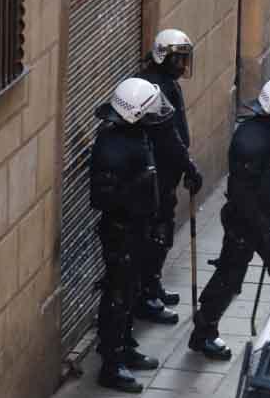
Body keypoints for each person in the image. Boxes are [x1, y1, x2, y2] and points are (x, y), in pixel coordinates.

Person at [189, 77, 270, 359]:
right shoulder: (250, 141)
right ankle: (203, 332)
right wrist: (263, 229)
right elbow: (242, 195)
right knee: (230, 277)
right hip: (247, 222)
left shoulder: (268, 133)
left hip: (265, 219)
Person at [89, 78, 176, 392]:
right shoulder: (111, 148)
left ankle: (125, 346)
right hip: (121, 233)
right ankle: (111, 365)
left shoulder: (134, 134)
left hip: (137, 228)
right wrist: (136, 188)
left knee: (131, 289)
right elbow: (101, 198)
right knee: (117, 295)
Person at [132, 29, 204, 326]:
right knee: (157, 235)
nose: (182, 64)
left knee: (162, 233)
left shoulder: (165, 82)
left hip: (167, 173)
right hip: (157, 176)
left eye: (185, 58)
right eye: (178, 58)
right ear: (163, 56)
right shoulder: (156, 88)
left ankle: (153, 283)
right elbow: (167, 135)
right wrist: (188, 166)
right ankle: (146, 295)